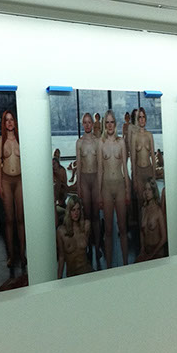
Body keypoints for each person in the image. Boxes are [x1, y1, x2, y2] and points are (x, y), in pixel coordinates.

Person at [98, 109, 130, 268]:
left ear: (115, 124)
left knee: (123, 228)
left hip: (119, 186)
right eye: (107, 122)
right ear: (104, 124)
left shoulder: (121, 142)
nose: (109, 125)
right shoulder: (101, 143)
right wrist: (98, 194)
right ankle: (109, 267)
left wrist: (128, 190)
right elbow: (99, 170)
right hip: (106, 187)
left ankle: (125, 264)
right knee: (108, 229)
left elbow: (125, 167)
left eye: (112, 122)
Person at [0, 109, 26, 268]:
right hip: (7, 181)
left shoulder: (21, 140)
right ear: (4, 123)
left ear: (15, 121)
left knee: (20, 219)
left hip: (20, 180)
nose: (9, 122)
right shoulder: (0, 141)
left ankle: (22, 253)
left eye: (11, 119)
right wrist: (0, 185)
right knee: (9, 220)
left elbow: (27, 163)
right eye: (6, 120)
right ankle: (11, 255)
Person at [75, 112, 101, 266]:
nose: (87, 125)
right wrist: (78, 185)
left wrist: (101, 184)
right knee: (86, 216)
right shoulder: (79, 143)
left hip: (95, 179)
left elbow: (100, 165)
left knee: (96, 215)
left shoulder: (97, 142)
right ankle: (87, 247)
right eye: (84, 122)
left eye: (89, 122)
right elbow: (78, 165)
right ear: (82, 124)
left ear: (93, 123)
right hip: (84, 179)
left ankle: (97, 246)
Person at [57, 195, 93, 278]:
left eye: (78, 209)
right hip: (72, 275)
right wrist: (58, 279)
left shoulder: (86, 226)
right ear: (68, 211)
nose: (76, 213)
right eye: (73, 210)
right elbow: (61, 257)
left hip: (86, 271)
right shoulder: (61, 231)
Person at [136, 178, 167, 262]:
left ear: (154, 191)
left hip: (157, 252)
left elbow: (164, 238)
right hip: (146, 251)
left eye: (149, 189)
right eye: (145, 189)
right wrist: (142, 250)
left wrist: (152, 255)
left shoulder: (158, 211)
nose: (147, 192)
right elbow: (142, 232)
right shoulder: (143, 209)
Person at [131, 106, 156, 206]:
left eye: (143, 117)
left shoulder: (149, 135)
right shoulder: (134, 136)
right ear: (137, 120)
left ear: (146, 119)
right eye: (140, 117)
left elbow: (153, 157)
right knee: (141, 201)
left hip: (149, 170)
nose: (141, 119)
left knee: (151, 201)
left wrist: (154, 175)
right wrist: (134, 178)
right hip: (139, 172)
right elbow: (133, 159)